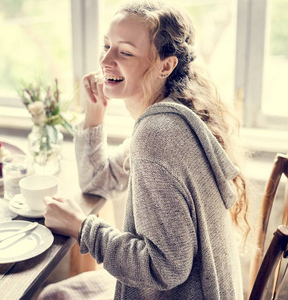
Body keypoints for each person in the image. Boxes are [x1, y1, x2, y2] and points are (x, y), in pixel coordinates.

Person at [39, 1, 249, 299]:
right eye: (106, 45)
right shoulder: (171, 113)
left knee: (51, 296)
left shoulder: (157, 135)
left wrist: (82, 227)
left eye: (125, 52)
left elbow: (164, 268)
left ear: (166, 65)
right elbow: (99, 182)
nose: (106, 60)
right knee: (58, 295)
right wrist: (94, 116)